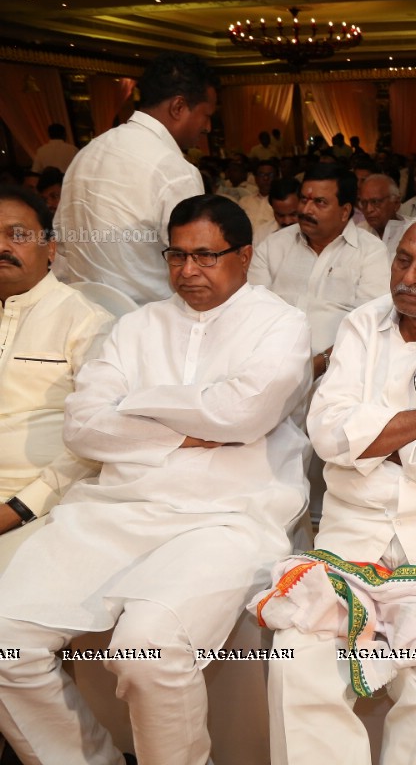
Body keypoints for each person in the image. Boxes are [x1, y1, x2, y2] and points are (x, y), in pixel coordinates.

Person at [0, 194, 311, 765]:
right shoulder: (137, 326)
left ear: (245, 256)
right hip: (113, 512)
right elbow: (82, 428)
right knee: (4, 644)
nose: (187, 271)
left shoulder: (281, 325)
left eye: (206, 256)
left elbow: (243, 414)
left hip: (225, 518)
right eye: (176, 255)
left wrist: (134, 406)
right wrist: (189, 426)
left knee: (148, 653)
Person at [260, 212, 416, 765]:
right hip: (353, 535)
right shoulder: (361, 324)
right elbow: (327, 433)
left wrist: (373, 440)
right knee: (296, 665)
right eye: (403, 261)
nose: (410, 278)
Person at [0, 185, 112, 570]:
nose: (3, 247)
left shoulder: (85, 322)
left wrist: (18, 508)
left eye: (17, 235)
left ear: (50, 248)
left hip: (42, 508)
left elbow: (96, 440)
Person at [55, 52, 218, 304]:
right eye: (206, 115)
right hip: (148, 325)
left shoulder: (87, 154)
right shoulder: (173, 169)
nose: (207, 127)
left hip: (83, 318)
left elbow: (63, 249)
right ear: (178, 107)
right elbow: (197, 266)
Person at [249, 163, 389, 380]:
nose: (306, 210)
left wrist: (321, 363)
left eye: (319, 202)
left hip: (339, 372)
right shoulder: (273, 246)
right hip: (268, 369)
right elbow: (252, 312)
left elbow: (370, 325)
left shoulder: (371, 252)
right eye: (304, 200)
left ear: (345, 211)